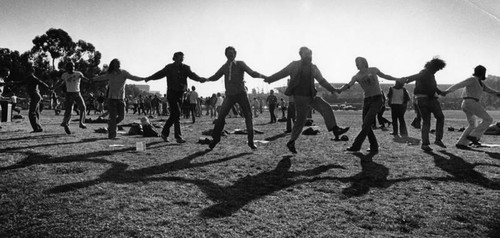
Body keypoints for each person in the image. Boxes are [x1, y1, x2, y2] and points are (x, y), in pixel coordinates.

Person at [265, 47, 349, 153]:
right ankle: (291, 141)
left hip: (311, 96)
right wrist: (270, 79)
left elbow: (322, 81)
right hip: (299, 97)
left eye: (310, 54)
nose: (309, 56)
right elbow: (282, 73)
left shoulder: (313, 67)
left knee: (326, 107)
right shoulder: (294, 65)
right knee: (300, 120)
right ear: (301, 55)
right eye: (307, 54)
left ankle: (335, 129)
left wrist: (333, 89)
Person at [206, 46, 267, 150]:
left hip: (241, 94)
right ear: (226, 55)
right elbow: (216, 77)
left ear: (235, 54)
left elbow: (252, 73)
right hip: (229, 95)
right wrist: (205, 79)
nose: (230, 55)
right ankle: (215, 139)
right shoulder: (224, 67)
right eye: (228, 53)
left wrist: (264, 76)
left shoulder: (240, 64)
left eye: (232, 53)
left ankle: (251, 142)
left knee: (248, 116)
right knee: (220, 117)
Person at [336, 57, 400, 153]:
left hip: (377, 99)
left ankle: (356, 145)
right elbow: (348, 85)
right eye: (355, 63)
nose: (356, 64)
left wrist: (397, 79)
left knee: (366, 123)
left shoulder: (373, 70)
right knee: (366, 125)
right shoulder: (356, 76)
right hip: (367, 100)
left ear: (364, 62)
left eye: (358, 62)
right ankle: (374, 146)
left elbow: (385, 76)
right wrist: (340, 89)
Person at [145, 51, 206, 143]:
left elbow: (192, 75)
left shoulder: (186, 68)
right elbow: (159, 74)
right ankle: (178, 137)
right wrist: (150, 77)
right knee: (177, 113)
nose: (182, 59)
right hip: (171, 93)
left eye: (183, 57)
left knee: (174, 115)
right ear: (175, 58)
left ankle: (165, 133)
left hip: (181, 94)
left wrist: (200, 79)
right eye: (180, 57)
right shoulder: (169, 67)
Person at [443, 65, 500, 149]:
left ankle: (461, 143)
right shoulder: (472, 79)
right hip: (471, 102)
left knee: (472, 125)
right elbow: (459, 85)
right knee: (488, 119)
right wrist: (446, 91)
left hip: (468, 103)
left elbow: (491, 91)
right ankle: (474, 136)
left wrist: (498, 94)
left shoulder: (480, 83)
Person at [401, 57, 447, 151]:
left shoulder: (429, 73)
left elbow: (432, 85)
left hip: (423, 99)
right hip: (427, 99)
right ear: (433, 66)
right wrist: (406, 79)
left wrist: (439, 91)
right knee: (437, 118)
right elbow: (416, 76)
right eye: (437, 69)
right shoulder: (425, 72)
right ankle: (436, 140)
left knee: (427, 121)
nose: (437, 71)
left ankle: (426, 144)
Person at [92, 58, 146, 139]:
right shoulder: (110, 74)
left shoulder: (124, 73)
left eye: (119, 63)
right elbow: (102, 77)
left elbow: (133, 77)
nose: (118, 64)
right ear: (113, 65)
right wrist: (93, 79)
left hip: (121, 98)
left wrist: (143, 78)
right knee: (113, 116)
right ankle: (112, 135)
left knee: (121, 117)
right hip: (111, 98)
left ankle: (111, 125)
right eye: (116, 63)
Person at [54, 62, 90, 135]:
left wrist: (89, 80)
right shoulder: (65, 75)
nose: (72, 68)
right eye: (70, 67)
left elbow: (84, 79)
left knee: (83, 107)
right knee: (69, 110)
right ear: (67, 68)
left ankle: (81, 123)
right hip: (69, 93)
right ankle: (66, 123)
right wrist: (54, 87)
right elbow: (60, 82)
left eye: (73, 66)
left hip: (77, 93)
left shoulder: (78, 74)